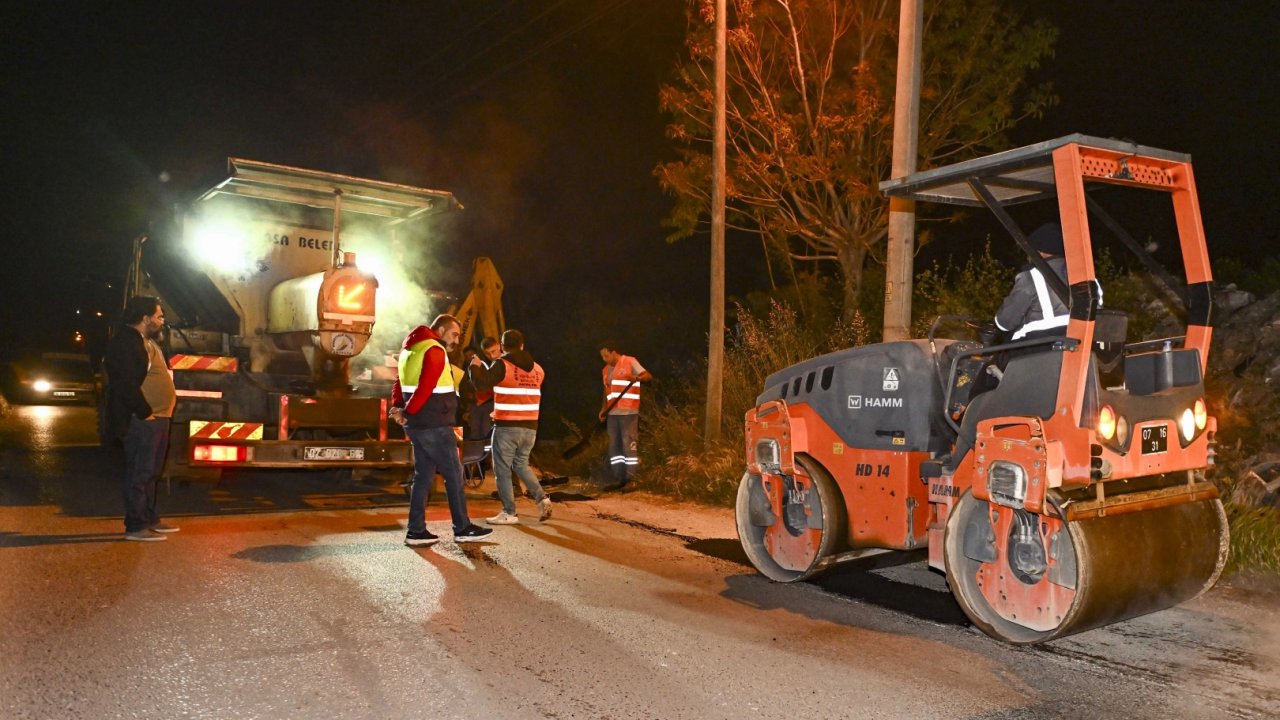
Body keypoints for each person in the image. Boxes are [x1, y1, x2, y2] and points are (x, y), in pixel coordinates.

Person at [390, 313, 493, 546]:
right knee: (454, 475)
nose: (456, 340)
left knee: (423, 477)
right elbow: (426, 387)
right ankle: (462, 528)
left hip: (418, 425)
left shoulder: (410, 349)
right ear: (442, 330)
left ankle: (416, 531)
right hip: (435, 424)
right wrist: (407, 411)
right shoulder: (434, 350)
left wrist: (400, 408)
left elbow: (399, 381)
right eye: (454, 334)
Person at [105, 296, 179, 542]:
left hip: (159, 418)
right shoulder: (126, 343)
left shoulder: (145, 341)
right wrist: (145, 412)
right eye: (159, 316)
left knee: (151, 473)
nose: (162, 321)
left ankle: (149, 518)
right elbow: (124, 384)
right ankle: (136, 526)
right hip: (144, 420)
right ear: (145, 318)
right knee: (140, 472)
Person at [470, 329, 552, 524]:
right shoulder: (539, 370)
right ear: (522, 345)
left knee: (502, 469)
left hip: (507, 428)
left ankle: (509, 512)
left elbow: (481, 385)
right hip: (531, 428)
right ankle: (542, 499)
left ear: (503, 347)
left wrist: (474, 367)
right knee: (521, 464)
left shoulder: (502, 365)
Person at [597, 341, 653, 490]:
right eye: (602, 356)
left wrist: (639, 378)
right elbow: (606, 392)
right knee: (614, 446)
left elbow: (647, 375)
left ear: (614, 352)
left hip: (628, 412)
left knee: (629, 445)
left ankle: (631, 479)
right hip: (613, 414)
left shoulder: (629, 361)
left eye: (606, 355)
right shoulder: (605, 370)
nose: (604, 359)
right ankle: (619, 478)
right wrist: (603, 409)